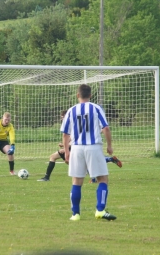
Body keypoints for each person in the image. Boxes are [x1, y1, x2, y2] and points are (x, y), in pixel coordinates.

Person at [61, 84, 117, 221]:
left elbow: (65, 134)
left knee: (76, 181)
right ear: (91, 95)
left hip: (77, 148)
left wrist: (67, 152)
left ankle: (75, 214)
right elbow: (106, 128)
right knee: (102, 179)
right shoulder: (96, 108)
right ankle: (100, 210)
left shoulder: (71, 110)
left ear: (77, 95)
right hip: (93, 147)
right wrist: (109, 146)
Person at [37, 112, 122, 182]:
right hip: (73, 147)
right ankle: (104, 166)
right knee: (83, 162)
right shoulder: (74, 123)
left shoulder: (71, 124)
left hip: (75, 148)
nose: (61, 118)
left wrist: (65, 148)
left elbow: (74, 139)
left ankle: (47, 177)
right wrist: (64, 145)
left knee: (54, 157)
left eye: (62, 117)